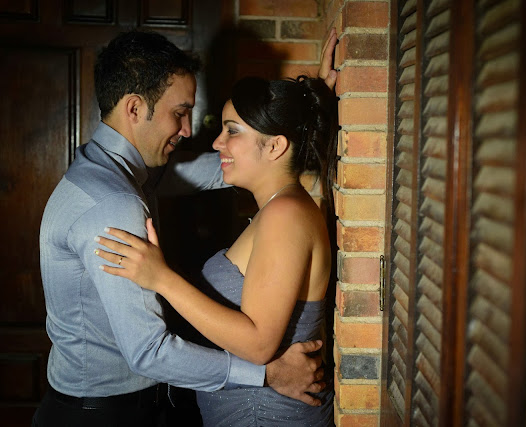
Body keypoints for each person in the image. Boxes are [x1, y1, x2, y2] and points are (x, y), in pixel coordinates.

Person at [34, 28, 338, 427]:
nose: (190, 131)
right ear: (135, 108)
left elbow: (238, 166)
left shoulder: (120, 172)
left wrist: (304, 118)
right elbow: (148, 352)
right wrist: (267, 374)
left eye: (231, 131)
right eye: (179, 112)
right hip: (104, 415)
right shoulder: (114, 202)